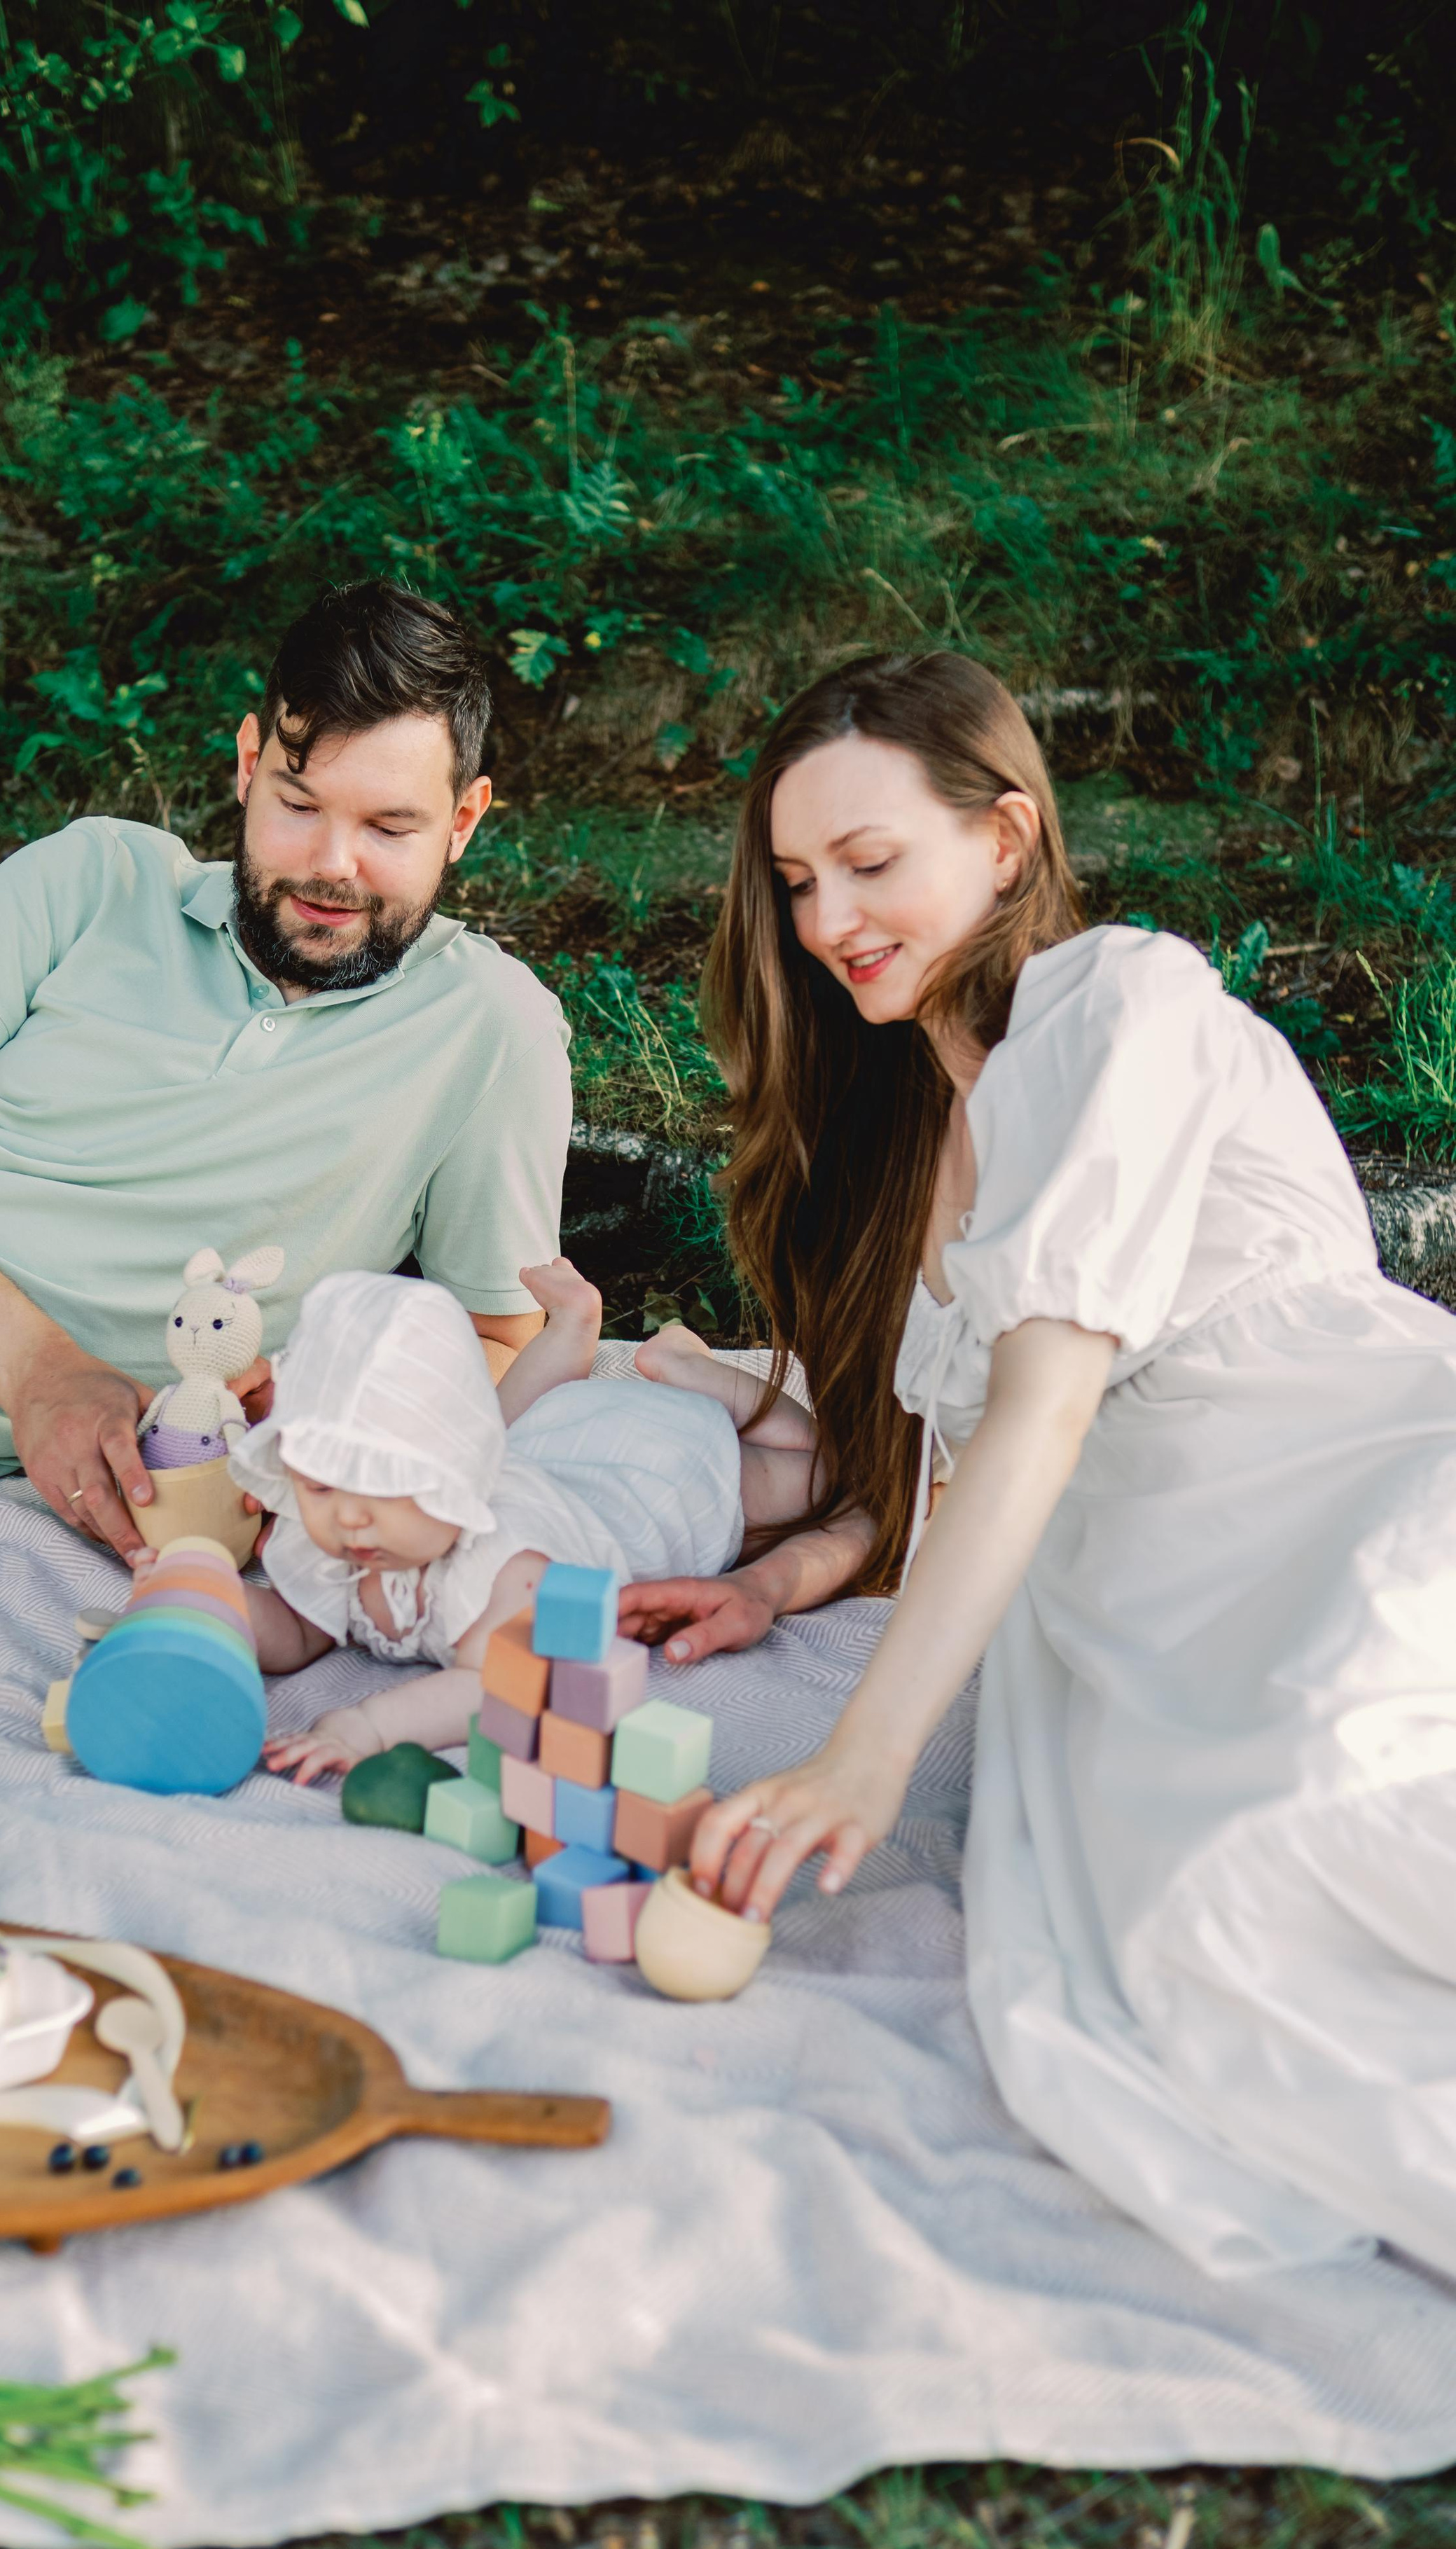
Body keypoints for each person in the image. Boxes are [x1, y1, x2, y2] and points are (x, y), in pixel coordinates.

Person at [623, 648, 1456, 2284]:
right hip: (1139, 1618)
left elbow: (1045, 1411)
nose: (824, 917)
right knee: (1179, 1952)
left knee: (1314, 1822)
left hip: (1329, 1493)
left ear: (1003, 840)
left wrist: (861, 1761)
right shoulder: (932, 1122)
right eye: (797, 880)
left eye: (870, 863)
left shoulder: (1111, 1002)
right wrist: (775, 1579)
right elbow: (940, 1466)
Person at [0, 581, 570, 1557]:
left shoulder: (490, 1029)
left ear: (465, 821)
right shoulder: (98, 876)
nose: (332, 867)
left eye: (390, 828)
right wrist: (41, 1375)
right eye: (299, 805)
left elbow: (499, 1343)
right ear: (246, 764)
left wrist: (316, 1428)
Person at [240, 1257, 814, 1781]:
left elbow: (491, 1685)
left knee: (819, 1468)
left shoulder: (513, 1567)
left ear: (452, 1472)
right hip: (549, 1446)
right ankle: (581, 1329)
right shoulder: (342, 1535)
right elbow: (293, 1632)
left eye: (386, 1486)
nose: (348, 1519)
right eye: (317, 1485)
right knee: (512, 1426)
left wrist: (367, 1727)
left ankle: (682, 1362)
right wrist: (203, 1592)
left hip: (658, 1472)